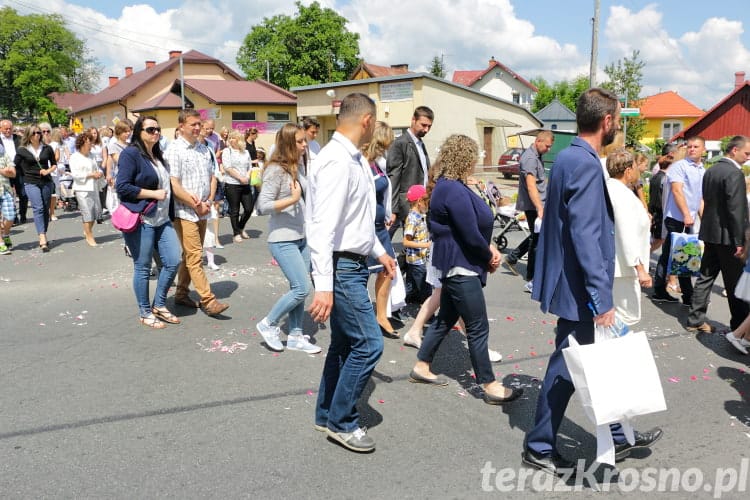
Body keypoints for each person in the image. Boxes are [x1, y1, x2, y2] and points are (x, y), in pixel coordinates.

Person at [523, 88, 662, 476]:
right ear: (606, 122)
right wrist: (601, 299)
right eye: (617, 117)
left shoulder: (569, 156)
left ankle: (617, 434)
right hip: (580, 289)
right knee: (567, 368)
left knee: (591, 361)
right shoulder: (584, 162)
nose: (619, 124)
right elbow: (585, 234)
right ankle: (538, 446)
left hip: (573, 284)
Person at [307, 93, 397, 453]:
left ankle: (327, 412)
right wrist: (324, 287)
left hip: (355, 261)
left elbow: (356, 220)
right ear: (367, 121)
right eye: (374, 121)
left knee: (345, 344)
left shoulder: (355, 159)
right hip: (341, 267)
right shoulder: (336, 161)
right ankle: (342, 422)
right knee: (369, 344)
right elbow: (322, 229)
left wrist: (379, 252)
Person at [407, 134, 521, 406]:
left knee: (446, 318)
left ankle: (422, 365)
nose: (477, 161)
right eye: (474, 156)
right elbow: (469, 234)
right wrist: (488, 256)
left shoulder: (450, 186)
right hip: (461, 267)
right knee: (478, 327)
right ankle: (489, 384)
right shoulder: (452, 189)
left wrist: (486, 251)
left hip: (457, 265)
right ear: (464, 157)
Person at [255, 123, 321, 354]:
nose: (305, 145)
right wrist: (292, 200)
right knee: (302, 288)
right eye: (300, 141)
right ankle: (268, 323)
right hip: (282, 239)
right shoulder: (275, 170)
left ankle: (294, 335)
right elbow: (262, 206)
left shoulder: (297, 166)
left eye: (305, 141)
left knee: (298, 287)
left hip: (301, 237)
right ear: (288, 144)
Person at [116, 116, 182, 329]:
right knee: (143, 267)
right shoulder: (130, 154)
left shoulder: (157, 155)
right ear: (139, 132)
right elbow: (122, 187)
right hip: (142, 218)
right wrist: (152, 193)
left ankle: (159, 304)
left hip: (162, 219)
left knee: (173, 261)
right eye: (150, 129)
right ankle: (144, 311)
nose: (156, 133)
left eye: (158, 129)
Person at [166, 109, 229, 317]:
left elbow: (212, 177)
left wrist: (209, 201)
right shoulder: (174, 150)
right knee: (194, 256)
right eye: (192, 124)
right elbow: (174, 185)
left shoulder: (204, 149)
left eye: (198, 124)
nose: (197, 128)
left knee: (189, 255)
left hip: (203, 210)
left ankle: (182, 293)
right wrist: (195, 204)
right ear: (181, 126)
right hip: (185, 211)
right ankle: (209, 300)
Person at [687, 136, 750, 334]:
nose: (748, 157)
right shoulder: (734, 173)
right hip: (729, 237)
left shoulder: (711, 170)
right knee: (735, 283)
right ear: (734, 150)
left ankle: (695, 318)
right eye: (746, 153)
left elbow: (708, 200)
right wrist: (740, 240)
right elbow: (736, 209)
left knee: (705, 277)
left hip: (711, 232)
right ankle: (738, 328)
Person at [652, 136, 707, 307]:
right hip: (676, 217)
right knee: (673, 254)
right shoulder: (679, 167)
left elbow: (700, 198)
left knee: (683, 254)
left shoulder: (701, 170)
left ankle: (685, 295)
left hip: (688, 218)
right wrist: (686, 214)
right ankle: (662, 290)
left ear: (703, 150)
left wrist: (703, 218)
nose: (692, 149)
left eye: (696, 147)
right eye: (689, 146)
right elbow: (677, 191)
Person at [503, 130, 554, 293]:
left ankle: (513, 258)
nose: (548, 149)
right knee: (537, 240)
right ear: (538, 141)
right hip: (534, 205)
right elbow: (531, 185)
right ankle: (532, 275)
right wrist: (540, 208)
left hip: (538, 204)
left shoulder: (536, 156)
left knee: (535, 236)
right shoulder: (530, 158)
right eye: (547, 146)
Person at [606, 149, 653, 324]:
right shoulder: (622, 195)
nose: (637, 172)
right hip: (624, 267)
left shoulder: (609, 188)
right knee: (626, 316)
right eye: (635, 167)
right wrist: (640, 269)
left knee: (613, 314)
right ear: (627, 171)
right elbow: (626, 234)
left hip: (615, 263)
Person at [362, 121, 400, 337]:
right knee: (363, 273)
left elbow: (385, 191)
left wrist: (388, 213)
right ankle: (364, 317)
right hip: (365, 228)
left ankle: (381, 315)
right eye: (387, 142)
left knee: (388, 270)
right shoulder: (362, 164)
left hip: (380, 226)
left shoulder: (379, 163)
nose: (389, 146)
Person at [387, 106, 434, 235]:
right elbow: (394, 177)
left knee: (417, 241)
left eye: (429, 126)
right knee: (409, 240)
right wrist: (393, 208)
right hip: (407, 203)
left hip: (421, 201)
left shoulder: (420, 143)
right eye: (423, 125)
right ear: (413, 120)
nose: (426, 129)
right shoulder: (400, 143)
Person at [14, 124, 57, 251]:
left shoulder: (47, 148)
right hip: (30, 181)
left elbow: (54, 164)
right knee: (38, 208)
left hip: (46, 181)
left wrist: (48, 171)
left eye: (39, 133)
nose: (37, 135)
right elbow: (14, 164)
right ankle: (42, 237)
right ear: (28, 135)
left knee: (45, 208)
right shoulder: (22, 150)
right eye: (34, 133)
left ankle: (43, 230)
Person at [69, 131, 104, 247]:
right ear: (83, 142)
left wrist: (99, 173)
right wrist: (90, 175)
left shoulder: (92, 155)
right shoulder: (74, 157)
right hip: (82, 188)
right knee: (87, 212)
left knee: (94, 212)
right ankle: (89, 236)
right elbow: (75, 174)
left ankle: (87, 230)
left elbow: (97, 168)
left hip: (93, 186)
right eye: (89, 141)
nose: (91, 143)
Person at [221, 130, 253, 243]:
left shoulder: (246, 152)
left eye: (233, 138)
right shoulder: (227, 151)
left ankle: (240, 227)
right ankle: (236, 233)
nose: (230, 140)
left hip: (245, 184)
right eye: (230, 138)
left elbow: (250, 167)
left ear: (239, 140)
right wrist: (240, 177)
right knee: (234, 210)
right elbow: (228, 168)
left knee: (249, 208)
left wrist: (247, 177)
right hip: (232, 184)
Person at [403, 184, 432, 305]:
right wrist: (425, 245)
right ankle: (428, 315)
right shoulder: (412, 219)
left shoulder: (420, 216)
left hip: (417, 258)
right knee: (425, 288)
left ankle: (399, 305)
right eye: (427, 201)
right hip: (416, 260)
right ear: (419, 201)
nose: (428, 204)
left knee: (411, 286)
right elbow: (406, 241)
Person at [1, 119, 25, 224]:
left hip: (18, 169)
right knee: (9, 194)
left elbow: (24, 152)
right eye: (5, 128)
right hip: (4, 171)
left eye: (10, 128)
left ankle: (23, 215)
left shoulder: (19, 139)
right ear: (0, 128)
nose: (8, 130)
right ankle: (13, 217)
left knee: (23, 194)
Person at [0, 143, 16, 254]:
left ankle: (5, 234)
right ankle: (1, 244)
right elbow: (8, 171)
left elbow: (13, 173)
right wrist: (5, 170)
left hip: (5, 189)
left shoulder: (3, 154)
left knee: (10, 216)